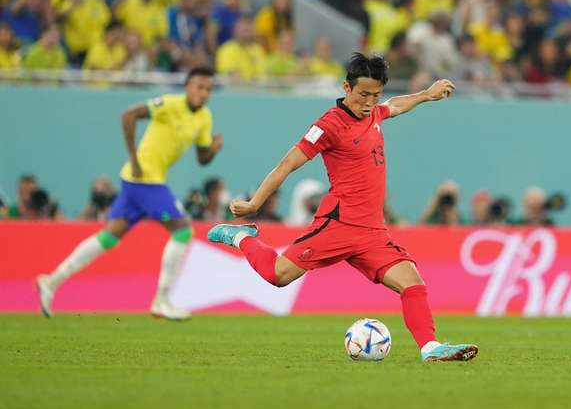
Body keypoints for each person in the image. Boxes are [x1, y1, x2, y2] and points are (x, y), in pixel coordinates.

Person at [207, 53, 477, 362]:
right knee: (277, 275)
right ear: (345, 87)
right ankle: (241, 237)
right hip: (339, 224)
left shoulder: (374, 113)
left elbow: (397, 105)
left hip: (373, 231)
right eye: (363, 94)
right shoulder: (328, 125)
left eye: (375, 95)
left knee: (413, 282)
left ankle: (430, 348)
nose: (369, 102)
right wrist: (255, 202)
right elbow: (287, 164)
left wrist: (427, 95)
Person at [36, 67, 223, 321]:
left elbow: (202, 159)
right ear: (188, 86)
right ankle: (162, 300)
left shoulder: (204, 118)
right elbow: (129, 115)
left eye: (208, 89)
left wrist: (212, 149)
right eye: (199, 87)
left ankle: (52, 281)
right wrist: (134, 159)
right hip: (144, 179)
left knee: (109, 237)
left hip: (139, 181)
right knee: (182, 230)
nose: (204, 93)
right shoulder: (169, 104)